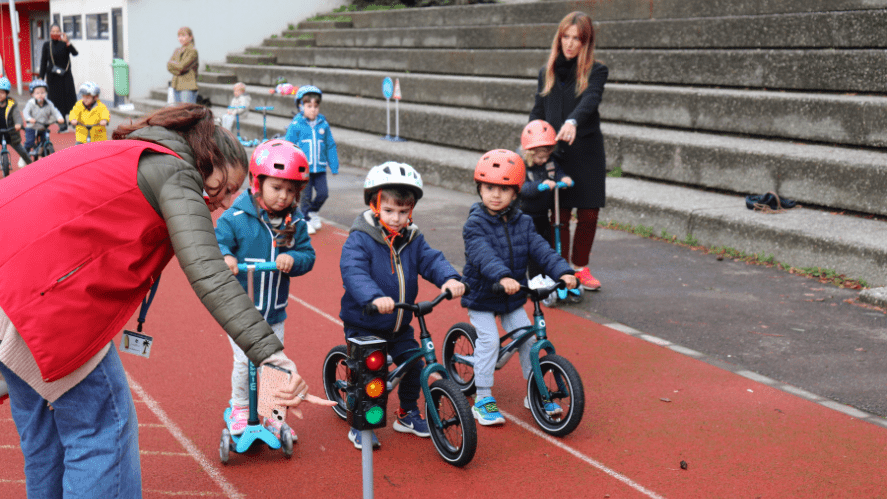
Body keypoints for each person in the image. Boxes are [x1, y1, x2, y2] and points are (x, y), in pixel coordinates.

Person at [0, 104, 331, 498]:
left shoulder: (129, 153)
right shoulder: (176, 170)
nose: (224, 202)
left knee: (44, 438)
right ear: (208, 158)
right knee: (104, 428)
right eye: (225, 188)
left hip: (14, 284)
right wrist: (272, 357)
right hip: (40, 298)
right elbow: (208, 271)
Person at [339, 161, 465, 449]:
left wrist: (449, 278)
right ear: (374, 205)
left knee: (414, 363)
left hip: (400, 322)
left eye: (403, 211)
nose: (396, 218)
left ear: (411, 211)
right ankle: (362, 425)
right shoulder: (361, 238)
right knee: (372, 377)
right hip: (365, 322)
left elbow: (431, 260)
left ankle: (407, 412)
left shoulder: (412, 237)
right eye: (389, 210)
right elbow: (353, 271)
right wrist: (372, 297)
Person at [461, 149, 578, 426]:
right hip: (483, 295)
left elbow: (541, 250)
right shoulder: (474, 224)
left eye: (504, 189)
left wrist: (563, 271)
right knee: (489, 342)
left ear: (516, 193)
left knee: (529, 339)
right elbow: (482, 254)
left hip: (513, 297)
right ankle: (483, 397)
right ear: (479, 189)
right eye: (489, 188)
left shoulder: (523, 222)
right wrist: (502, 277)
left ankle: (534, 390)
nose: (496, 195)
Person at [215, 139, 315, 440]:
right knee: (245, 363)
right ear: (256, 183)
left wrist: (292, 258)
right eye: (276, 188)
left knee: (272, 367)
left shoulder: (294, 222)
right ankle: (241, 407)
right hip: (241, 311)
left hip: (274, 312)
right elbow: (217, 242)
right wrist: (227, 257)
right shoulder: (234, 217)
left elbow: (308, 256)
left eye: (290, 190)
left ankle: (272, 413)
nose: (283, 196)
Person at [529, 11, 608, 291]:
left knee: (588, 215)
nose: (570, 43)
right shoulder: (546, 73)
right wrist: (530, 140)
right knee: (559, 217)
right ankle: (561, 271)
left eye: (577, 38)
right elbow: (538, 112)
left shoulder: (596, 71)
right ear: (559, 38)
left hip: (587, 153)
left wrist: (572, 121)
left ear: (586, 42)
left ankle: (581, 267)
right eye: (566, 37)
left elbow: (590, 100)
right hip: (556, 154)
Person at [518, 119, 573, 282]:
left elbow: (558, 172)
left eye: (546, 157)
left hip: (543, 215)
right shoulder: (522, 166)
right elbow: (523, 188)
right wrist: (540, 185)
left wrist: (564, 178)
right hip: (525, 217)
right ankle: (534, 279)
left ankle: (549, 275)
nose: (544, 161)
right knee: (532, 249)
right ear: (529, 152)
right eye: (540, 158)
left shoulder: (549, 162)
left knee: (547, 246)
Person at [284, 85, 339, 235]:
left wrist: (333, 165)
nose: (313, 109)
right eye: (309, 106)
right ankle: (306, 219)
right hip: (303, 169)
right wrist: (288, 165)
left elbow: (330, 145)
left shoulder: (323, 124)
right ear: (301, 107)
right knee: (305, 196)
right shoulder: (296, 125)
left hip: (319, 168)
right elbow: (289, 146)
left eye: (316, 106)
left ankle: (313, 212)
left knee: (323, 193)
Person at [38, 24, 78, 120]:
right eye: (53, 31)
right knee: (56, 100)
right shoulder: (47, 45)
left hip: (65, 76)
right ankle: (61, 121)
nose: (55, 33)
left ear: (61, 33)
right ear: (50, 32)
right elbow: (43, 62)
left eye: (57, 31)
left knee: (68, 98)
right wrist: (41, 78)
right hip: (53, 76)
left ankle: (72, 119)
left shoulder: (65, 43)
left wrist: (67, 42)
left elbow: (75, 53)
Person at [22, 79, 65, 162]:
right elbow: (25, 112)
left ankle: (42, 155)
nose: (40, 95)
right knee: (30, 142)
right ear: (32, 94)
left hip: (43, 126)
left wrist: (60, 118)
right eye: (37, 93)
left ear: (46, 93)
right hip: (32, 126)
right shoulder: (31, 103)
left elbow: (55, 111)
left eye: (42, 92)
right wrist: (29, 119)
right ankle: (24, 156)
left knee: (45, 140)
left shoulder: (49, 103)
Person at [0, 76, 33, 175]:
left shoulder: (11, 105)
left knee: (22, 151)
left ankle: (31, 165)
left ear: (6, 93)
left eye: (2, 93)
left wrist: (18, 124)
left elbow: (17, 115)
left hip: (10, 133)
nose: (0, 95)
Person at [167, 27, 199, 104]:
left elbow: (182, 66)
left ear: (190, 37)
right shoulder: (177, 50)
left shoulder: (193, 51)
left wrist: (176, 67)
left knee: (187, 112)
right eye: (179, 36)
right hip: (176, 85)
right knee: (179, 112)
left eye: (183, 36)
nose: (180, 38)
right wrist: (178, 68)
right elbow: (169, 66)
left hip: (187, 86)